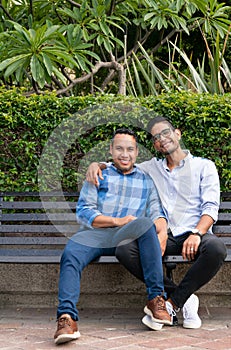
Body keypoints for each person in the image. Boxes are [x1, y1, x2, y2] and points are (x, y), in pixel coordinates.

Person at [86, 116, 227, 330]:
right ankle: (186, 298)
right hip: (164, 235)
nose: (162, 139)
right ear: (155, 145)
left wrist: (197, 233)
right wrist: (98, 164)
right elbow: (123, 162)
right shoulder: (150, 168)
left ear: (177, 134)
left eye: (165, 133)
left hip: (194, 232)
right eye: (156, 138)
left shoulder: (204, 167)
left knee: (216, 249)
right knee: (124, 250)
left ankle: (172, 303)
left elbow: (210, 207)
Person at [54, 128, 175, 345]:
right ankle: (66, 318)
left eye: (130, 149)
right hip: (96, 234)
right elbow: (84, 212)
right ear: (111, 150)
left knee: (146, 224)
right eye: (119, 148)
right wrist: (116, 221)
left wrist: (162, 229)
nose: (124, 154)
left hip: (126, 238)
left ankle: (156, 299)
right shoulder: (99, 174)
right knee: (71, 253)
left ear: (137, 153)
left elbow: (157, 211)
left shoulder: (146, 180)